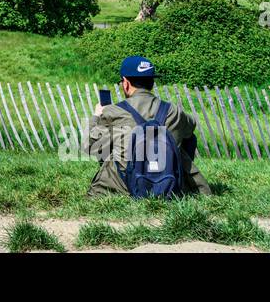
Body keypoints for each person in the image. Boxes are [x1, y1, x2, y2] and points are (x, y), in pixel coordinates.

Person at [84, 56, 211, 199]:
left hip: (124, 187)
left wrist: (96, 116)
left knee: (106, 144)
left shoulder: (113, 112)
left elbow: (90, 147)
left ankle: (114, 186)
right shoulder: (174, 111)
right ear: (152, 82)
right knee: (188, 137)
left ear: (125, 83)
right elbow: (190, 129)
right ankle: (177, 180)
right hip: (170, 183)